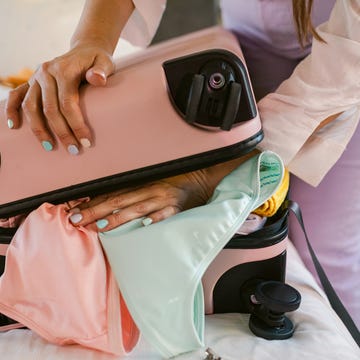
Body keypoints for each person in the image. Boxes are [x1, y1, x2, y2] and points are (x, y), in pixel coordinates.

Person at [3, 0, 360, 326]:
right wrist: (90, 41)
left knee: (329, 259)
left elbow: (348, 60)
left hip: (345, 72)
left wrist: (211, 175)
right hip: (240, 49)